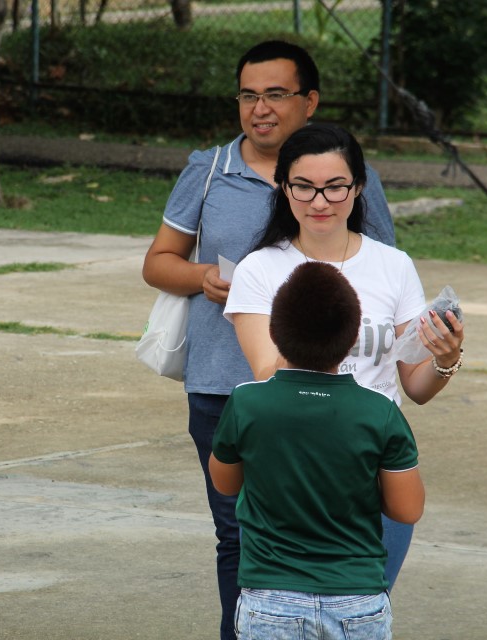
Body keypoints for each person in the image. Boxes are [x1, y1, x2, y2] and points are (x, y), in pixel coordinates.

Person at [141, 40, 396, 640]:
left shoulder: (350, 179)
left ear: (309, 102)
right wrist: (203, 278)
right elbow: (158, 262)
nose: (261, 108)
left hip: (329, 390)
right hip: (222, 386)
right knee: (236, 534)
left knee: (339, 530)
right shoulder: (208, 170)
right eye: (249, 95)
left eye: (276, 94)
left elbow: (383, 269)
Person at [223, 120, 464, 602]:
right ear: (282, 187)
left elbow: (413, 387)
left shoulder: (392, 265)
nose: (319, 202)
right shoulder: (259, 269)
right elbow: (268, 375)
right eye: (304, 187)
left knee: (364, 609)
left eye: (335, 187)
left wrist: (446, 358)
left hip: (373, 461)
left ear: (357, 187)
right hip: (292, 470)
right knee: (279, 610)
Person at [209, 261, 425, 640]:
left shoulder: (246, 403)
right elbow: (407, 509)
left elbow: (225, 483)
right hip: (356, 600)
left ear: (274, 332)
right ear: (353, 336)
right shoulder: (380, 411)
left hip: (269, 598)